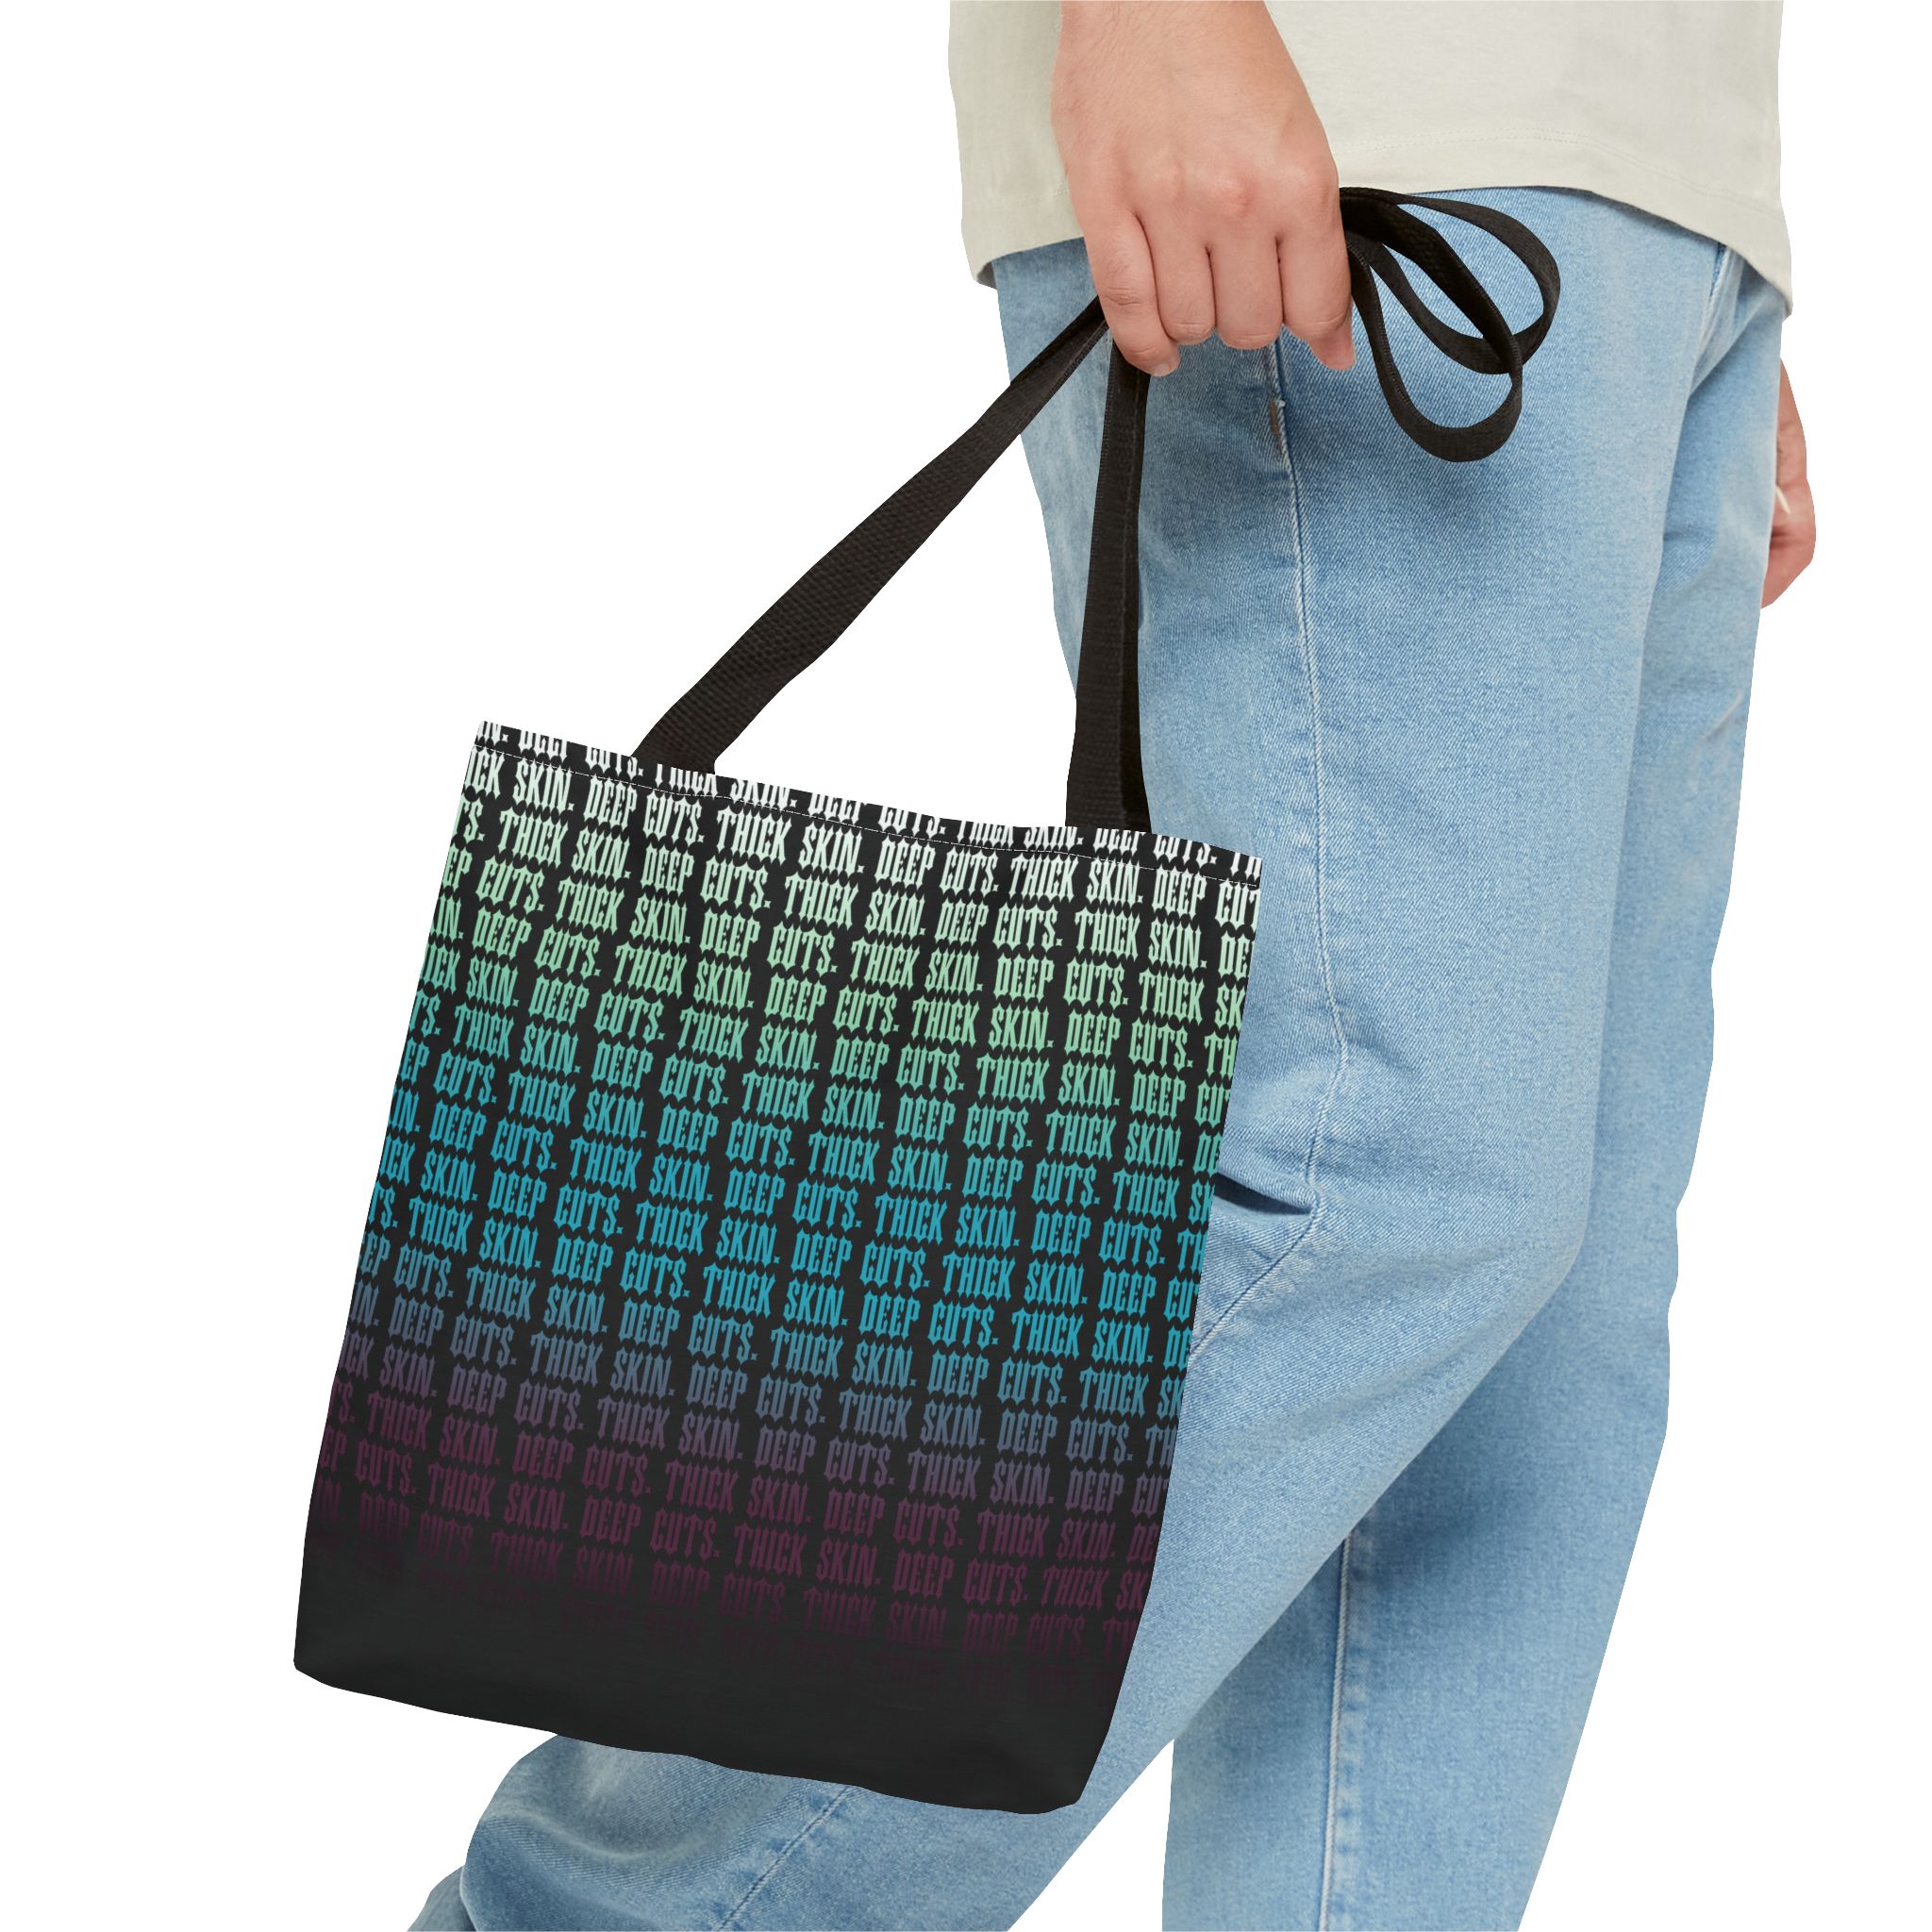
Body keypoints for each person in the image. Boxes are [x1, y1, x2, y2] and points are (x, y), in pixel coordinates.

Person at [412, 4, 1814, 1926]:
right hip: (1362, 112)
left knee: (1532, 1358)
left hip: (1642, 188)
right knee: (1375, 1187)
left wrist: (1697, 235)